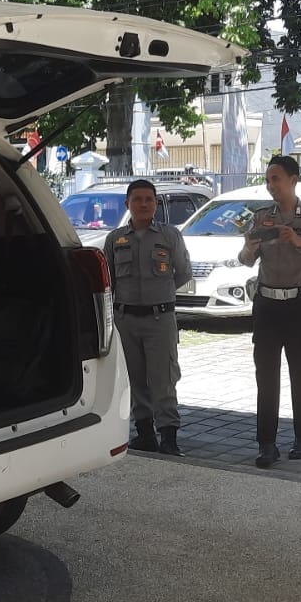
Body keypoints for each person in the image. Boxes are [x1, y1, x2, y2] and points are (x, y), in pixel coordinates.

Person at [237, 154, 301, 467]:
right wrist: (249, 248)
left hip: (299, 305)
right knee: (266, 376)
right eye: (268, 180)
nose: (271, 186)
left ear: (293, 180)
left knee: (300, 373)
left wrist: (299, 241)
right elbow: (245, 260)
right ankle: (266, 443)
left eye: (276, 179)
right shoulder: (260, 217)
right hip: (267, 305)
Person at [107, 179, 193, 455]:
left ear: (156, 204)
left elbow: (183, 273)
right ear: (128, 204)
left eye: (149, 200)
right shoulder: (115, 239)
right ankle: (144, 433)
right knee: (134, 379)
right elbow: (109, 280)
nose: (143, 204)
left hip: (160, 319)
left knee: (163, 379)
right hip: (126, 320)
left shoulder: (169, 236)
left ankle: (168, 437)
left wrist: (161, 294)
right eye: (137, 199)